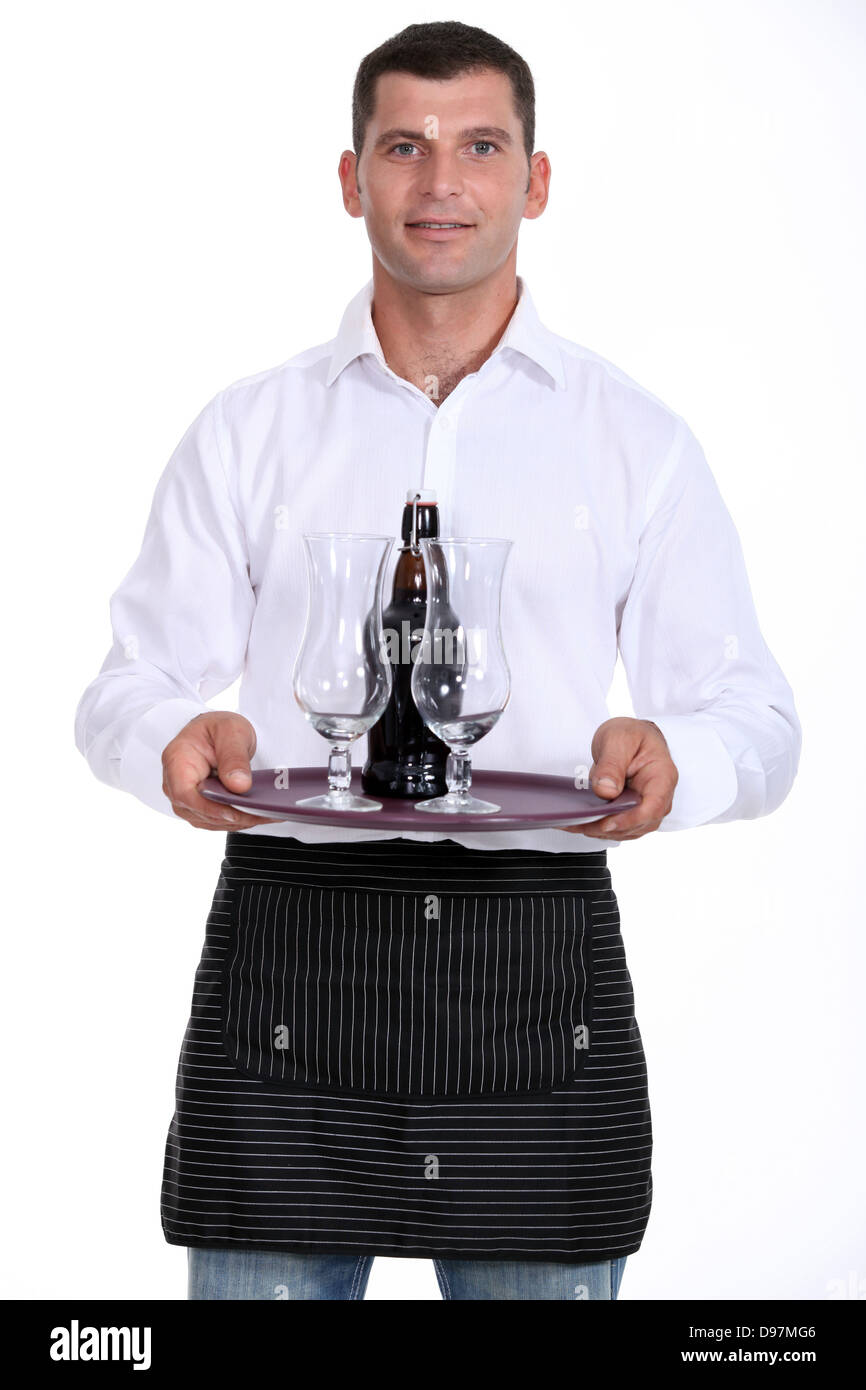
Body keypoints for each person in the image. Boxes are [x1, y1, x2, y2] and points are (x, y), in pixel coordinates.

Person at [73, 20, 802, 1301]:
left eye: (478, 146)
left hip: (535, 968)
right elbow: (125, 686)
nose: (439, 183)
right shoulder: (250, 430)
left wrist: (676, 759)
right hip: (293, 963)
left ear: (534, 181)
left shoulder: (635, 441)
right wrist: (169, 742)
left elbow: (756, 716)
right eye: (402, 147)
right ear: (352, 179)